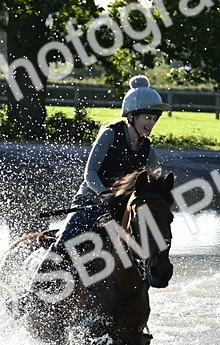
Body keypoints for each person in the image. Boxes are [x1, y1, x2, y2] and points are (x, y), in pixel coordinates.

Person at [18, 75, 170, 311]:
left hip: (120, 210)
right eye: (146, 118)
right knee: (64, 242)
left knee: (143, 249)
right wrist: (103, 194)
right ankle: (30, 296)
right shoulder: (111, 133)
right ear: (131, 116)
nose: (150, 123)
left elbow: (156, 179)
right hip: (91, 202)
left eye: (153, 119)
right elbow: (90, 172)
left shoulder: (148, 149)